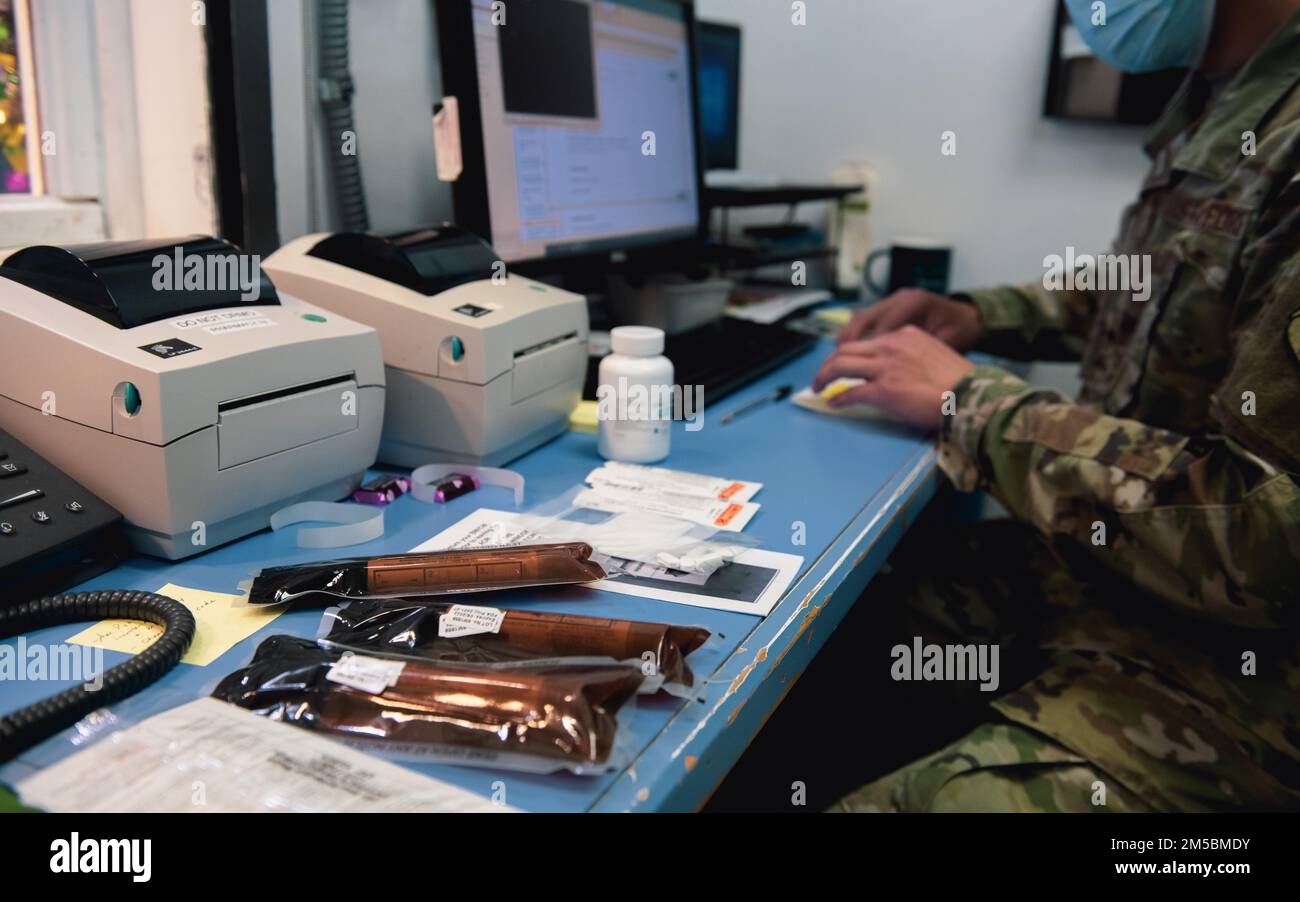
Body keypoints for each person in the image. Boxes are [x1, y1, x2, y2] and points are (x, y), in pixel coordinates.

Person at [818, 0, 1300, 812]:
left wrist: (973, 405)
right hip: (1132, 579)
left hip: (1242, 681)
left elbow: (1270, 534)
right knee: (848, 643)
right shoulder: (1219, 97)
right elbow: (1150, 292)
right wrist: (981, 314)